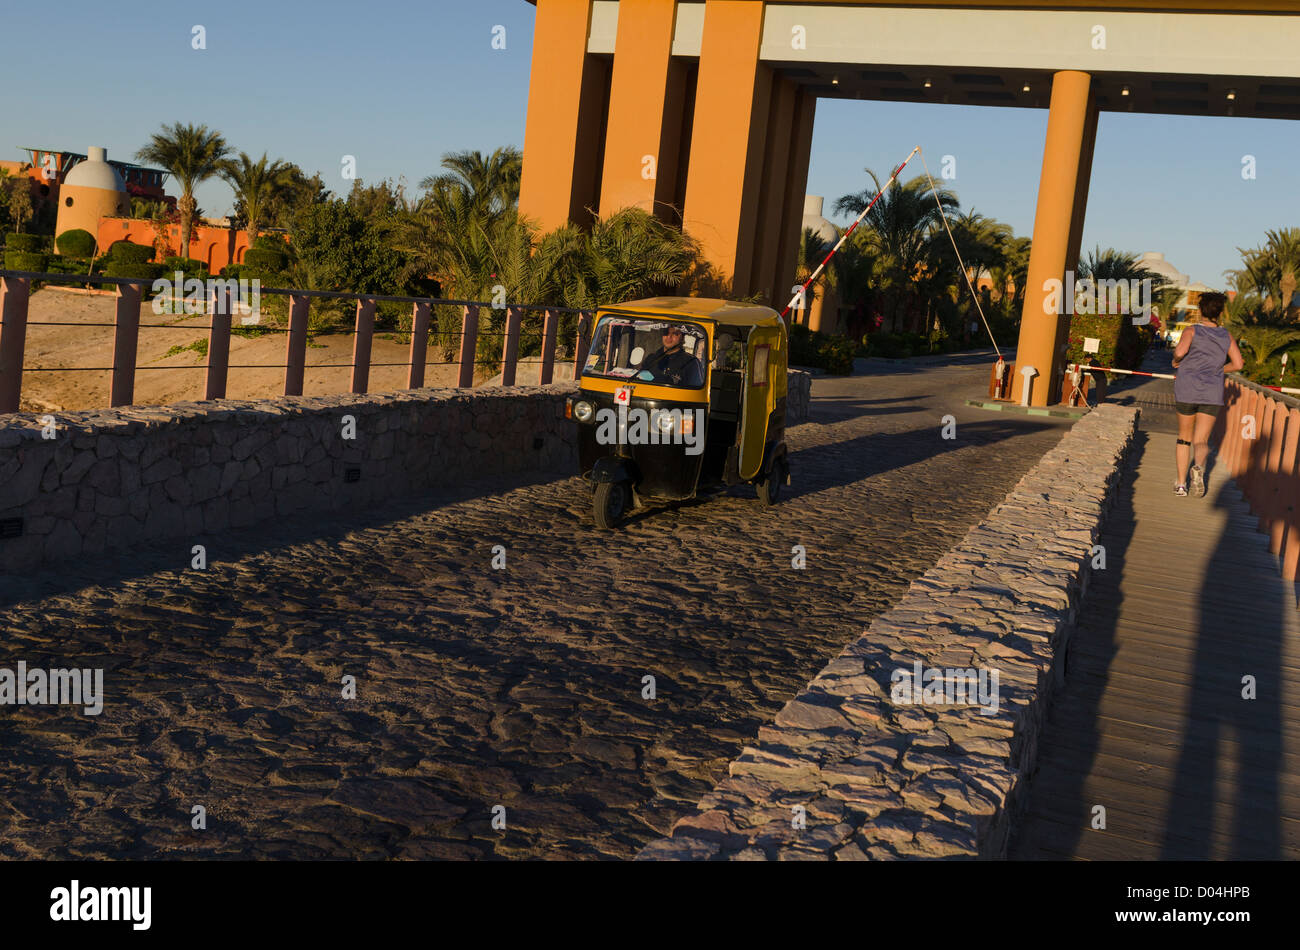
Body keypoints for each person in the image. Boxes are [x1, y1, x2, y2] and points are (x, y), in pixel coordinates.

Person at [1171, 292, 1244, 497]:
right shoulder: (1226, 335)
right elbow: (1238, 364)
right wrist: (1219, 370)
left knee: (1184, 437)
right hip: (1212, 392)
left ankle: (1180, 484)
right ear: (1220, 312)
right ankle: (1199, 467)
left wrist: (1177, 360)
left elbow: (1179, 352)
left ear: (1201, 310)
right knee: (1201, 440)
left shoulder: (1191, 331)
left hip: (1187, 389)